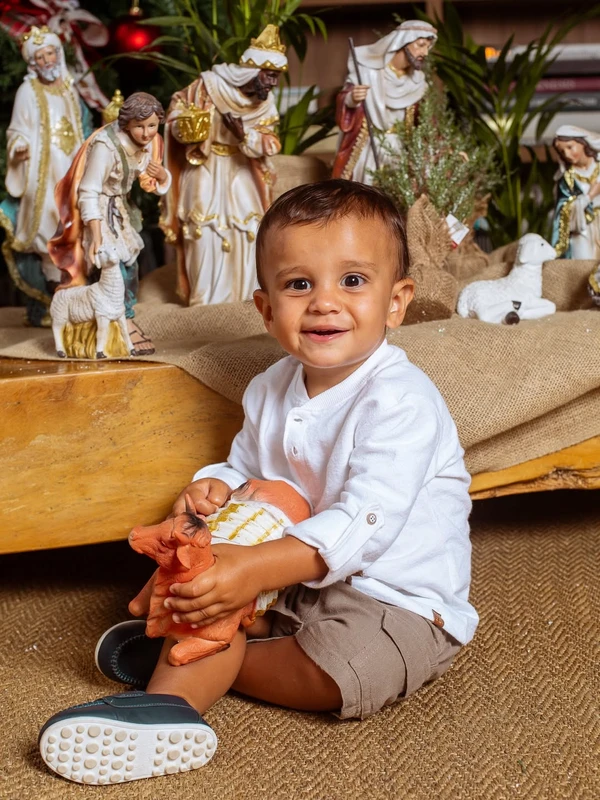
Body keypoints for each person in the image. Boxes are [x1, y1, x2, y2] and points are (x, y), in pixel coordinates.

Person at [39, 180, 478, 786]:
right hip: (294, 582)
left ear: (396, 302)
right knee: (212, 582)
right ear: (268, 309)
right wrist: (211, 489)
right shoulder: (270, 387)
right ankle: (173, 704)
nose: (324, 303)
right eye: (300, 284)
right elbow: (246, 468)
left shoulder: (401, 401)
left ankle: (199, 663)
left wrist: (248, 571)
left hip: (394, 602)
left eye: (353, 281)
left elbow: (365, 524)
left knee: (339, 672)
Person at [161, 24, 286, 306]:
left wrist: (244, 135)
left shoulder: (265, 105)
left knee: (250, 228)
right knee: (201, 228)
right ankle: (203, 298)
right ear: (252, 71)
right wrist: (187, 126)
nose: (273, 84)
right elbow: (177, 113)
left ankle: (244, 296)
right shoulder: (208, 86)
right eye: (270, 76)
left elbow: (272, 145)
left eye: (276, 77)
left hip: (242, 168)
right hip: (205, 164)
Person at [48, 92, 171, 354]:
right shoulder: (106, 146)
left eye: (152, 125)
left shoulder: (150, 142)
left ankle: (124, 315)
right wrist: (96, 233)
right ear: (127, 124)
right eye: (140, 126)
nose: (147, 133)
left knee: (131, 262)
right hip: (98, 210)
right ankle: (117, 320)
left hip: (120, 208)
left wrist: (161, 176)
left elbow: (149, 179)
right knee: (109, 263)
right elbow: (88, 191)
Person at [0, 25, 93, 326]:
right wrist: (20, 146)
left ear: (58, 55)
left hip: (70, 163)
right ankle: (50, 292)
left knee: (76, 218)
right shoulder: (28, 91)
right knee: (49, 222)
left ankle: (75, 289)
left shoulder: (68, 86)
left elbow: (79, 124)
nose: (47, 60)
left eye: (50, 53)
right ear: (33, 62)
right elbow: (16, 129)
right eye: (40, 56)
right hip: (42, 169)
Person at [332, 20, 437, 184]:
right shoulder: (367, 72)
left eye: (427, 47)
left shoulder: (418, 83)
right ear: (403, 43)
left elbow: (427, 122)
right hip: (369, 146)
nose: (425, 52)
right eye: (421, 45)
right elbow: (345, 101)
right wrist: (352, 99)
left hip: (401, 148)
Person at [551, 125, 600, 260]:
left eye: (570, 147)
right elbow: (562, 207)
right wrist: (586, 199)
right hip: (582, 228)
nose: (567, 154)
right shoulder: (567, 179)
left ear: (582, 143)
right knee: (583, 262)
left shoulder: (598, 166)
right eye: (561, 152)